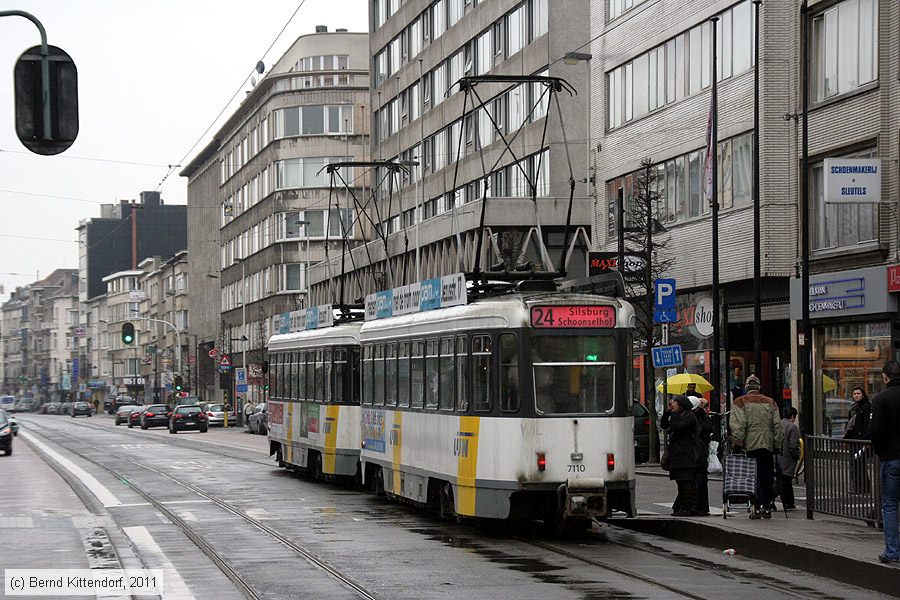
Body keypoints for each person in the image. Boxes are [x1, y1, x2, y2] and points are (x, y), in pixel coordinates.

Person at [731, 374, 783, 519]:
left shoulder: (740, 401)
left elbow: (739, 425)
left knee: (753, 476)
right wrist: (777, 444)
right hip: (767, 443)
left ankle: (756, 505)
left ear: (747, 388)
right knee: (767, 475)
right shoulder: (770, 402)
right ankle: (767, 505)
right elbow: (777, 426)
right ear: (759, 387)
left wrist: (737, 443)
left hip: (750, 443)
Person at [870, 360, 900, 564]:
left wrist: (882, 452)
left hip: (891, 457)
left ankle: (893, 550)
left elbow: (876, 432)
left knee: (889, 505)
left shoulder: (881, 399)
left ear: (885, 376)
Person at [660, 395, 699, 517]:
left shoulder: (689, 417)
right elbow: (664, 425)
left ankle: (686, 508)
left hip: (686, 455)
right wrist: (667, 413)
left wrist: (674, 413)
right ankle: (682, 507)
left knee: (685, 483)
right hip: (678, 455)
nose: (673, 405)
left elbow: (677, 427)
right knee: (680, 483)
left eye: (675, 403)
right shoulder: (680, 415)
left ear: (682, 405)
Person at [687, 392, 714, 516]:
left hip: (696, 451)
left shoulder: (690, 416)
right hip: (701, 450)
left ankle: (694, 506)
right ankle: (699, 507)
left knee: (696, 478)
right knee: (700, 478)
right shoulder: (699, 415)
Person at [843, 386, 872, 494]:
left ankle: (862, 488)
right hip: (853, 440)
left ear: (863, 394)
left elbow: (867, 424)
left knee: (858, 465)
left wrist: (866, 440)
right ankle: (858, 487)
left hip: (860, 441)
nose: (856, 396)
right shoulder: (854, 408)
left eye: (858, 393)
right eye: (854, 394)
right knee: (855, 465)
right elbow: (850, 424)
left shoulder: (866, 407)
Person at [777, 406, 800, 510]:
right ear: (792, 416)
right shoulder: (792, 427)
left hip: (778, 457)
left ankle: (789, 502)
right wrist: (797, 455)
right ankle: (788, 502)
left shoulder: (778, 424)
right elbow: (793, 445)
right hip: (787, 459)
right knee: (785, 482)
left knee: (782, 481)